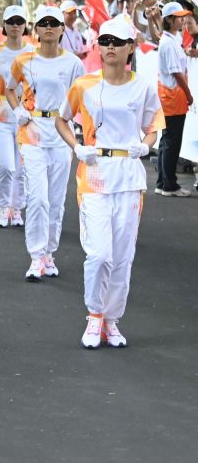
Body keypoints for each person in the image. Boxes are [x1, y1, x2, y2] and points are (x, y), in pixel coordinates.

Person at [56, 19, 163, 348]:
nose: (110, 46)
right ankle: (94, 315)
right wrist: (76, 146)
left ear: (131, 47)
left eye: (118, 41)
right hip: (95, 173)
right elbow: (62, 119)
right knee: (99, 254)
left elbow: (153, 125)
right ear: (98, 46)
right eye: (105, 41)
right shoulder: (85, 84)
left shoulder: (143, 85)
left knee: (122, 256)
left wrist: (146, 145)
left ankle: (112, 320)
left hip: (129, 177)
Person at [6, 6, 85, 281]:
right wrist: (17, 110)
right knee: (37, 198)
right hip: (32, 134)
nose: (49, 27)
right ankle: (36, 256)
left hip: (62, 134)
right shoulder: (25, 61)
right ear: (36, 30)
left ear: (63, 29)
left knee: (55, 200)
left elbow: (83, 100)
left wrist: (84, 136)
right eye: (43, 23)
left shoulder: (74, 63)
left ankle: (50, 254)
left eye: (54, 23)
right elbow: (9, 88)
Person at [0, 5, 34, 227]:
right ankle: (3, 207)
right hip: (1, 116)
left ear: (25, 25)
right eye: (11, 22)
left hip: (27, 116)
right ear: (4, 25)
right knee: (5, 166)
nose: (15, 26)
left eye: (19, 21)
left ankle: (17, 208)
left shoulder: (33, 52)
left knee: (21, 168)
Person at [155, 1, 193, 196]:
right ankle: (169, 185)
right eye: (179, 17)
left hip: (170, 97)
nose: (182, 20)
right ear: (169, 19)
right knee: (171, 142)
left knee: (166, 141)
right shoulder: (168, 43)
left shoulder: (171, 39)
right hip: (173, 97)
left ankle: (163, 182)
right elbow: (177, 73)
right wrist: (188, 94)